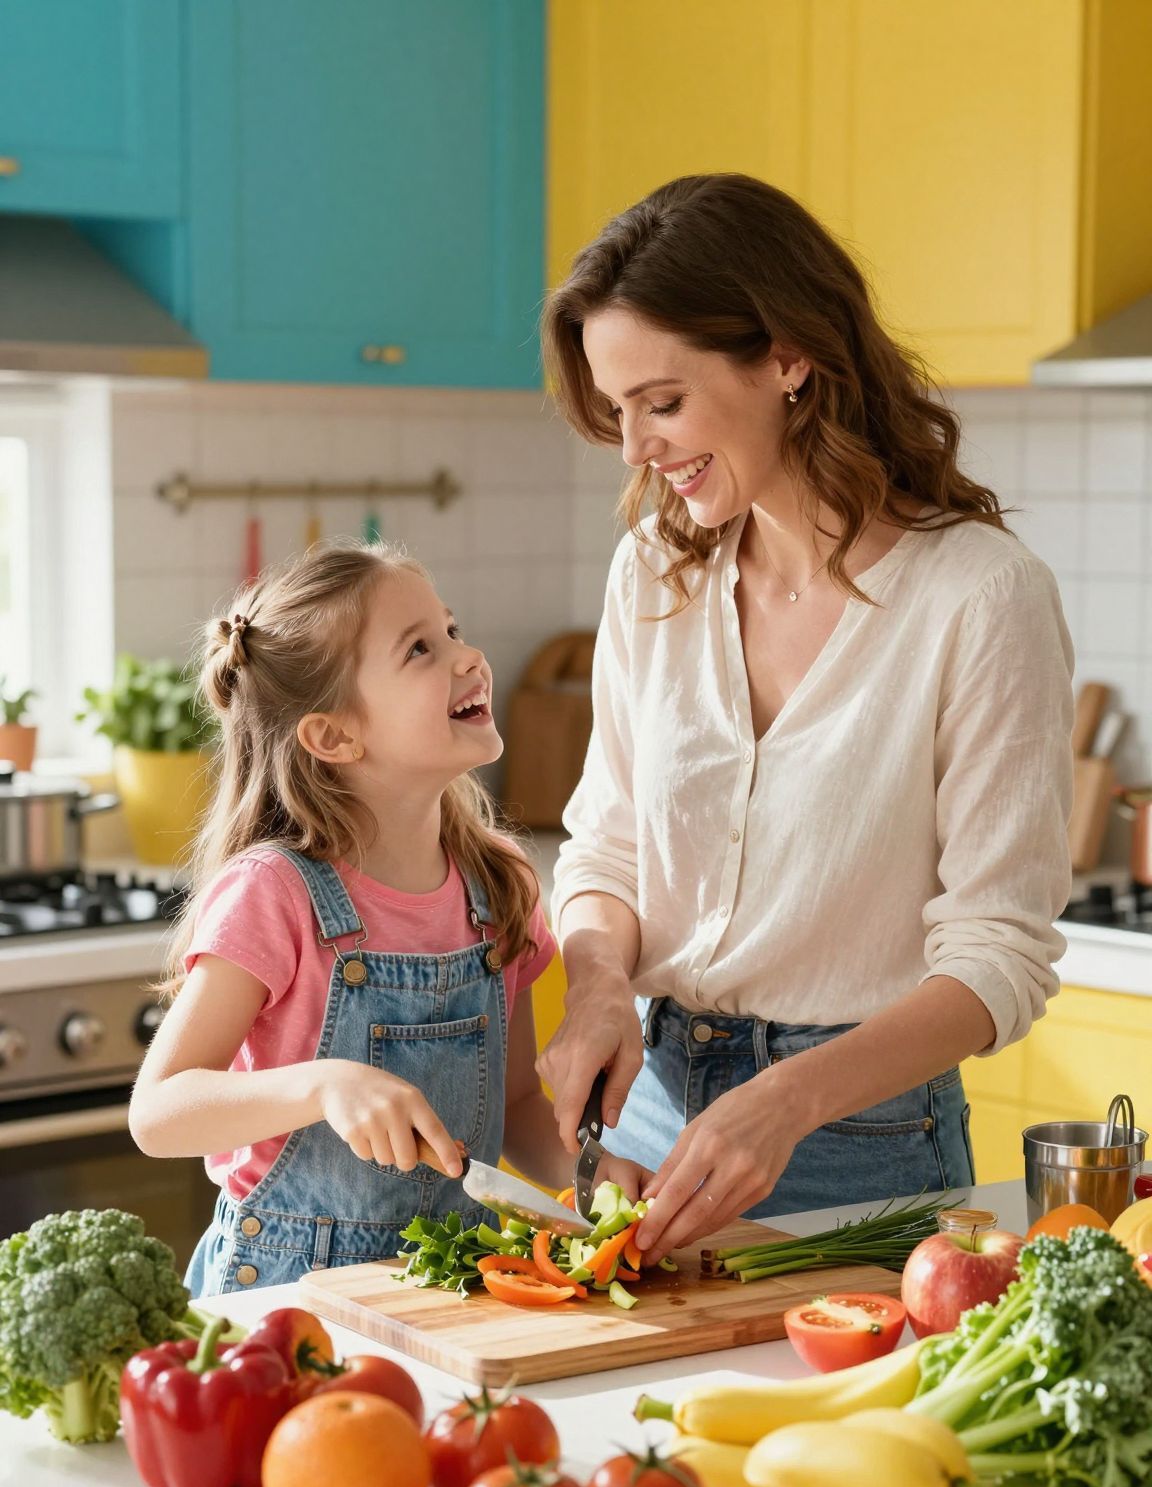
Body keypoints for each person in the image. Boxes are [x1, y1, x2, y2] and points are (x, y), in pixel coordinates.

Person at [538, 172, 1074, 1263]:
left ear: (789, 357)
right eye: (618, 408)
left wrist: (787, 1099)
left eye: (664, 401)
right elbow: (612, 838)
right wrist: (595, 979)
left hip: (861, 1140)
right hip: (650, 1114)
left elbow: (996, 957)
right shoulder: (655, 572)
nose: (636, 447)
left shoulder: (979, 594)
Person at [130, 541, 640, 1295]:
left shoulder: (500, 881)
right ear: (334, 735)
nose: (468, 657)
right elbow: (159, 1111)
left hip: (453, 1289)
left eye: (454, 629)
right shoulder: (274, 892)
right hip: (286, 1297)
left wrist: (595, 1181)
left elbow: (519, 1104)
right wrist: (323, 1085)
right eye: (420, 649)